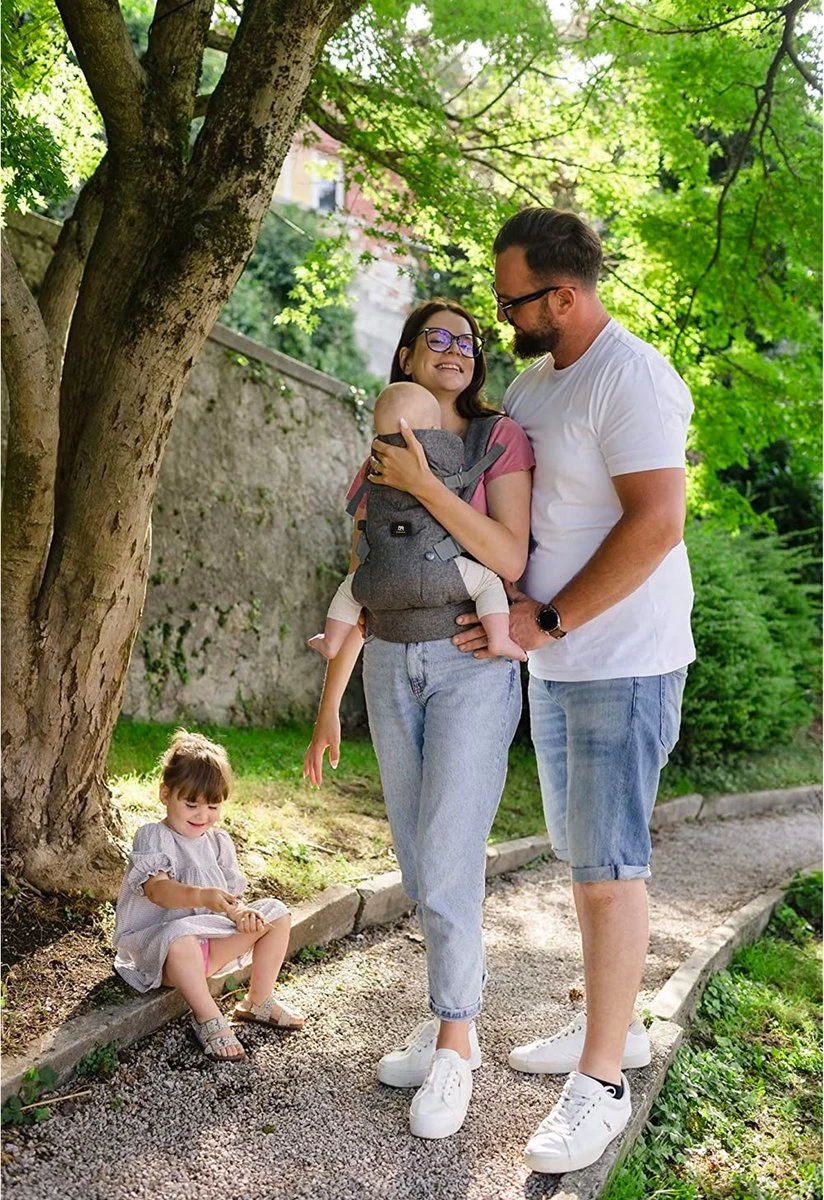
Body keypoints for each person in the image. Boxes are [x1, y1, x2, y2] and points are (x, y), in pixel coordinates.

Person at [453, 208, 695, 1174]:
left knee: (608, 868)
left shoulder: (632, 377)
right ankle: (613, 1026)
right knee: (583, 855)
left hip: (621, 661)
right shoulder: (535, 382)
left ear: (562, 295)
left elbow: (658, 523)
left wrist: (547, 621)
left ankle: (601, 1083)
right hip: (557, 662)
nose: (502, 315)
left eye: (513, 300)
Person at [304, 300, 534, 1139]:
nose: (455, 349)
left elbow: (509, 557)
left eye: (467, 340)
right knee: (416, 855)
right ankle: (446, 1020)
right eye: (436, 337)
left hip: (471, 663)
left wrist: (427, 483)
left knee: (446, 855)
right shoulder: (376, 457)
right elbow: (367, 585)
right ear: (405, 356)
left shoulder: (498, 441)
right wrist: (329, 708)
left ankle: (457, 1045)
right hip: (391, 666)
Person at [114, 729, 304, 1062]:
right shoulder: (154, 837)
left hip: (210, 947)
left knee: (276, 912)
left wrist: (240, 913)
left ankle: (258, 1000)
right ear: (165, 794)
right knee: (180, 936)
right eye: (191, 804)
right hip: (165, 952)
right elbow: (158, 891)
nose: (202, 816)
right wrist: (202, 896)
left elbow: (229, 898)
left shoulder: (218, 843)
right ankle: (208, 1017)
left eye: (213, 806)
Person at [308, 379, 525, 663]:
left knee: (348, 591)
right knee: (487, 583)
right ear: (434, 428)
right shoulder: (446, 451)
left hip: (379, 575)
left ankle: (330, 641)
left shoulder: (375, 465)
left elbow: (357, 559)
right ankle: (499, 638)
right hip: (437, 569)